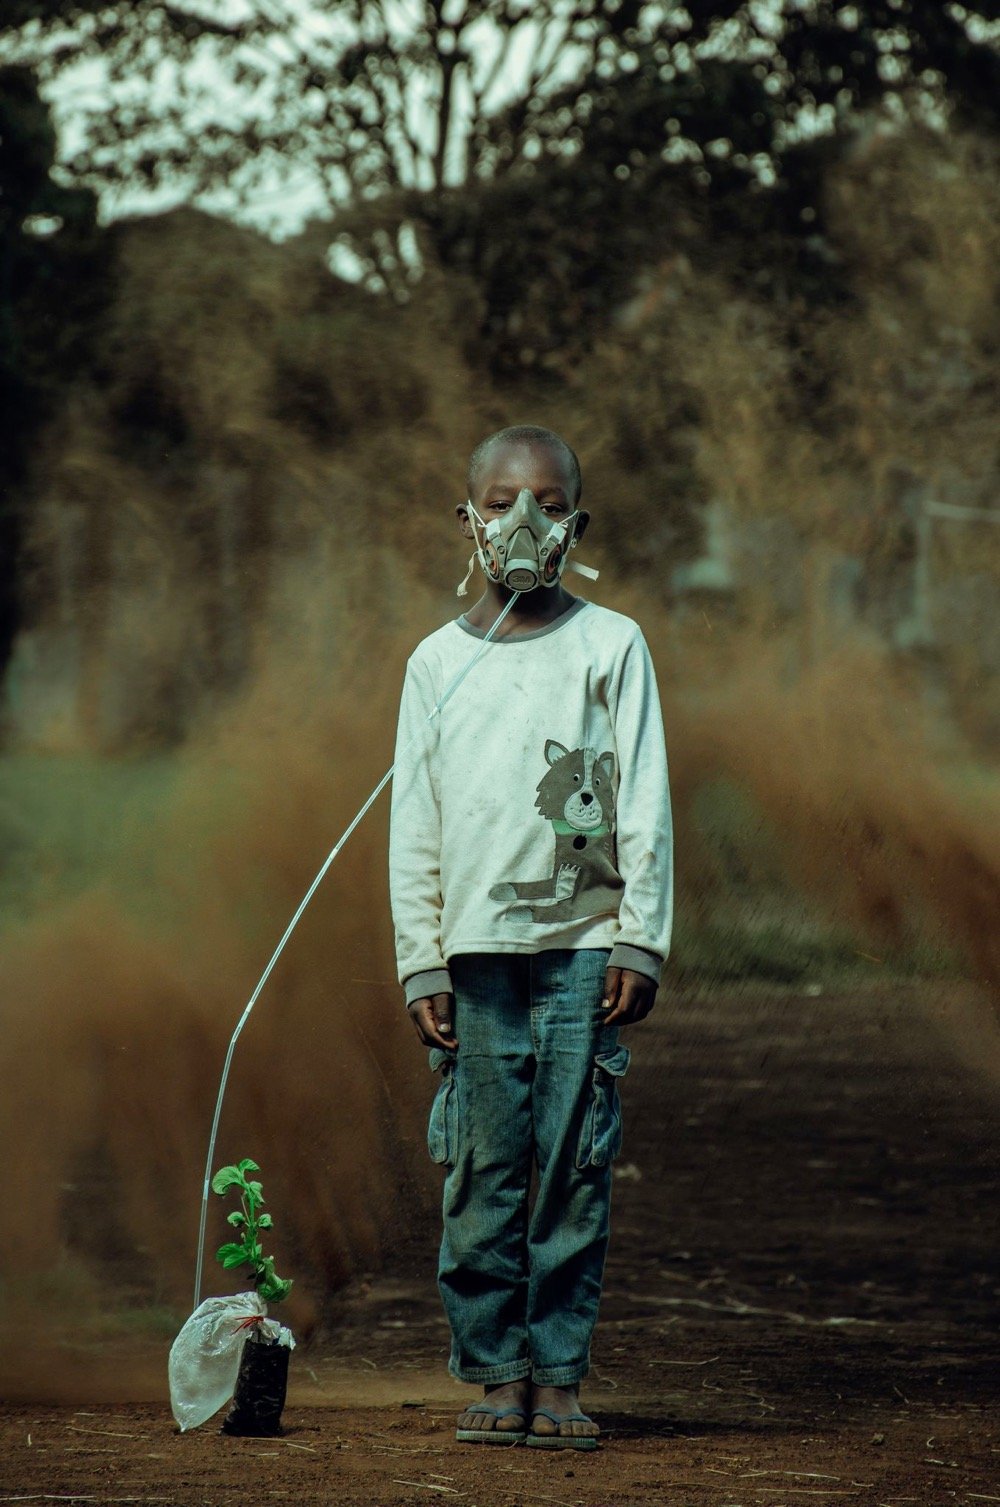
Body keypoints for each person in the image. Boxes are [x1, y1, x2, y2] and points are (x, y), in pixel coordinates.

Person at [389, 424, 673, 1449]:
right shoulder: (434, 665)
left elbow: (640, 796)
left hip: (580, 950)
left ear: (576, 524)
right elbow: (412, 824)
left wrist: (637, 937)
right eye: (503, 501)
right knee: (481, 1166)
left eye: (548, 505)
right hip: (472, 962)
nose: (524, 523)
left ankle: (558, 1372)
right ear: (467, 520)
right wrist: (420, 953)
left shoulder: (612, 646)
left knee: (570, 1165)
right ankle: (495, 1370)